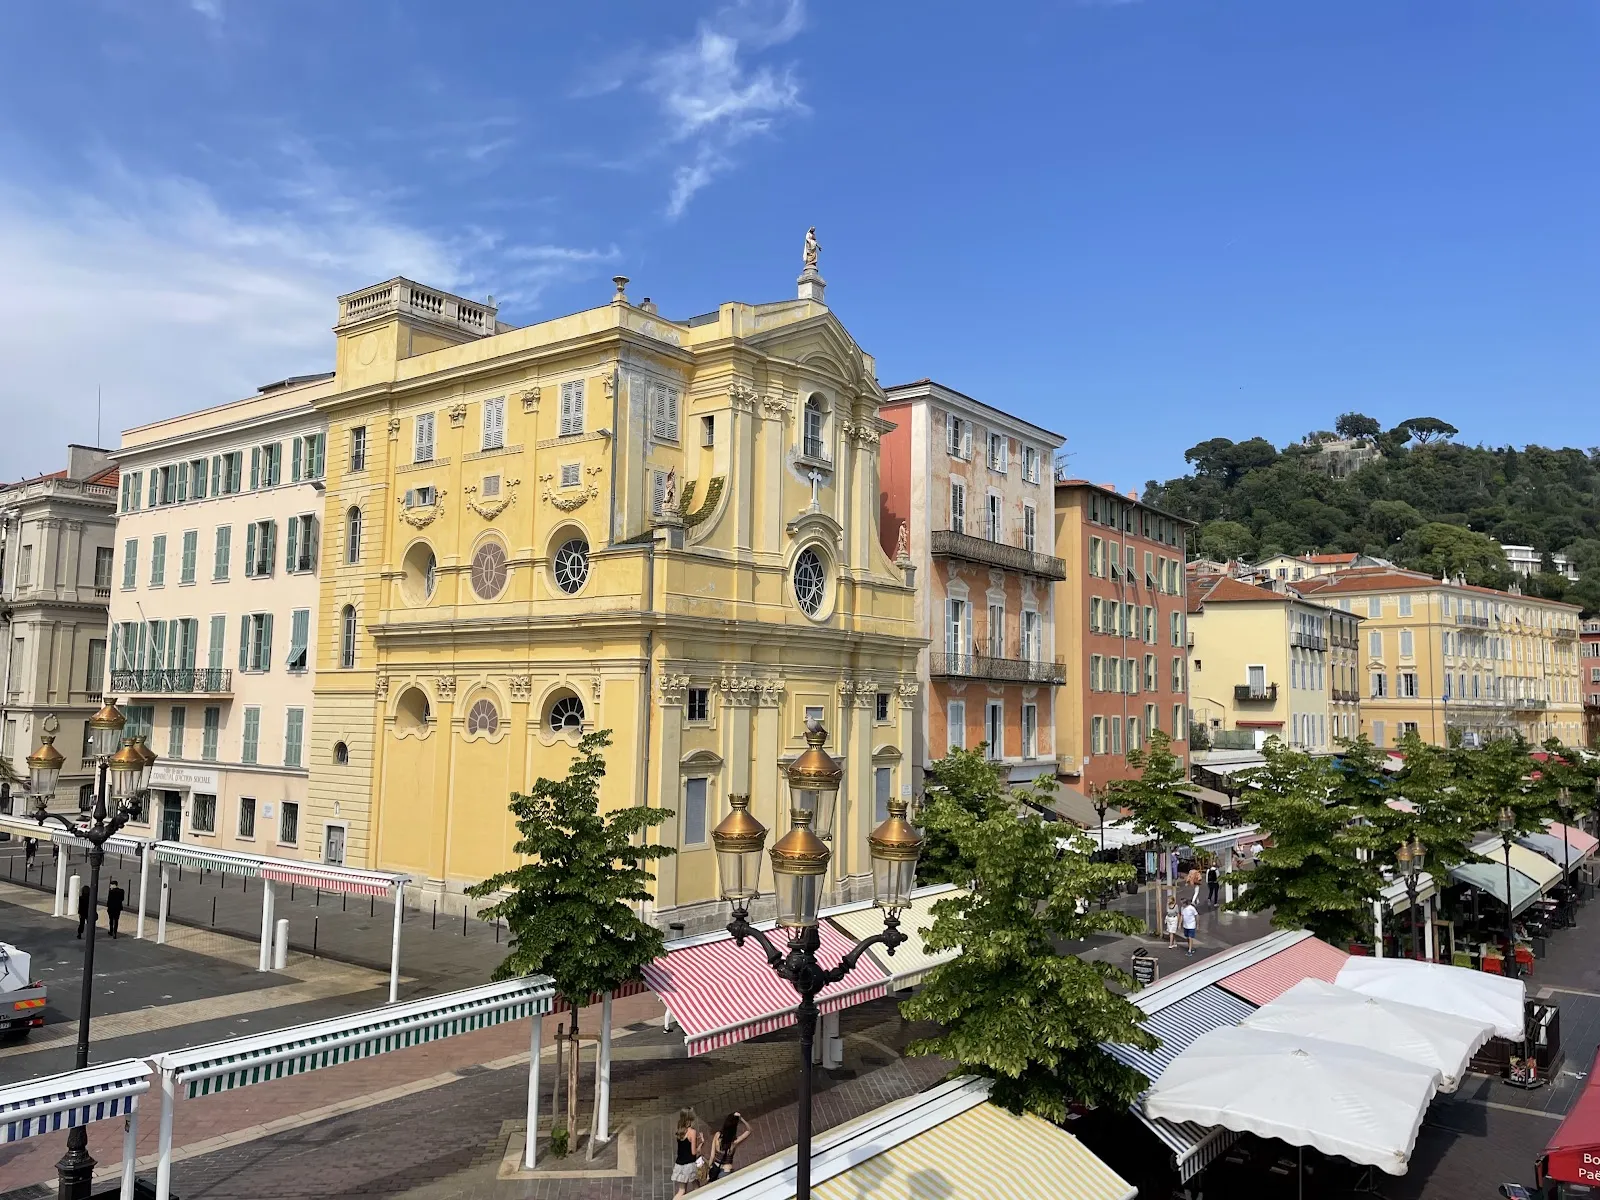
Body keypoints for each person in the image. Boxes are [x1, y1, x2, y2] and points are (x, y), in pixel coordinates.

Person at [706, 1111, 751, 1181]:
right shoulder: (734, 1142)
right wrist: (741, 1118)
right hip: (726, 1170)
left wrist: (708, 1171)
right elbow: (749, 1130)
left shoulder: (717, 1135)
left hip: (715, 1168)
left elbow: (712, 1156)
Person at [672, 1108, 703, 1197]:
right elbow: (694, 1152)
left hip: (679, 1164)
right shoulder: (692, 1132)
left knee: (681, 1191)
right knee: (697, 1188)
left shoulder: (680, 1129)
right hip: (690, 1165)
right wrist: (700, 1144)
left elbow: (684, 1145)